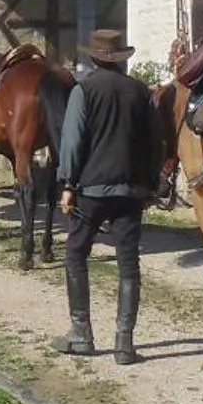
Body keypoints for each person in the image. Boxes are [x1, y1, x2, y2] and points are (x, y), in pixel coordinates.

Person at [56, 28, 160, 365]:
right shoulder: (141, 93)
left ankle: (81, 333)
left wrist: (68, 183)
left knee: (75, 253)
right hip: (131, 190)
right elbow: (153, 143)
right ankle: (124, 344)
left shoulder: (83, 90)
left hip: (91, 189)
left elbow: (72, 141)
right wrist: (150, 185)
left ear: (93, 58)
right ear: (121, 60)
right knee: (129, 264)